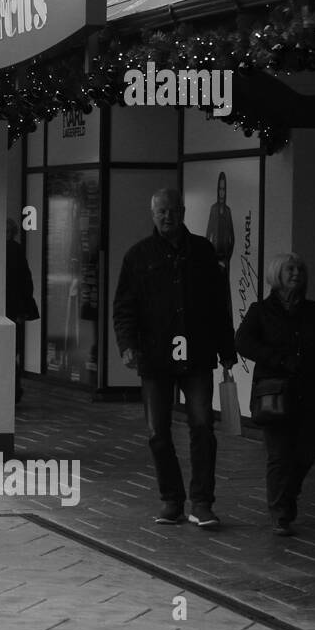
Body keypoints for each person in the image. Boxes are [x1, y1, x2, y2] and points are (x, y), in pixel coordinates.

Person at [113, 187, 237, 529]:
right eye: (161, 212)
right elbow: (124, 307)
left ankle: (201, 502)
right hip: (155, 355)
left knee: (202, 426)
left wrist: (227, 350)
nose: (168, 217)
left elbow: (218, 304)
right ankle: (171, 500)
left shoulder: (202, 251)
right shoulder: (138, 256)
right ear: (153, 215)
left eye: (173, 210)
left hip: (197, 352)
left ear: (183, 212)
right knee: (158, 431)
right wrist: (127, 345)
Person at [235, 253, 315, 537]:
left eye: (300, 269)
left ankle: (288, 495)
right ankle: (280, 514)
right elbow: (243, 342)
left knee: (306, 453)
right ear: (277, 274)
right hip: (274, 393)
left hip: (310, 393)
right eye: (290, 269)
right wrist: (278, 359)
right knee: (279, 454)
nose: (296, 273)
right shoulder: (260, 311)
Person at [5, 218, 39, 401]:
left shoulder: (7, 251)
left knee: (8, 353)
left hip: (8, 307)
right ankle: (14, 390)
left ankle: (13, 390)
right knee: (12, 352)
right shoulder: (16, 250)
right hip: (13, 309)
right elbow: (25, 281)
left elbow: (23, 281)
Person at [206, 172, 236, 327]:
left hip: (225, 258)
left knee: (225, 290)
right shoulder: (213, 209)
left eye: (224, 189)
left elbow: (232, 235)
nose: (222, 193)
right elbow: (208, 233)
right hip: (214, 257)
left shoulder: (228, 211)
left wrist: (227, 257)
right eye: (220, 189)